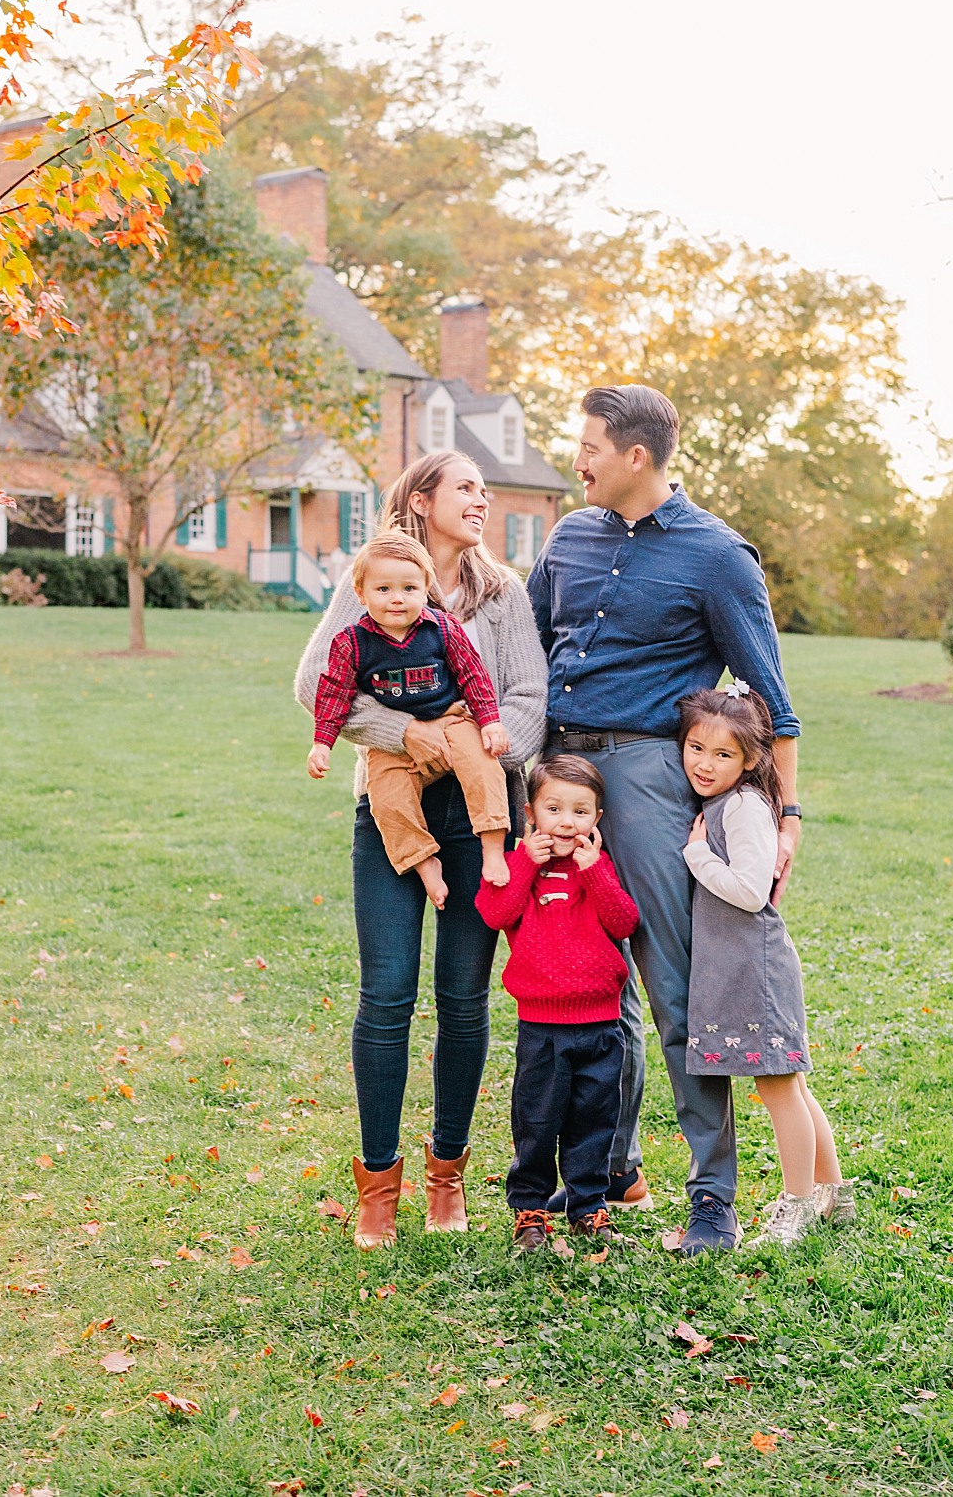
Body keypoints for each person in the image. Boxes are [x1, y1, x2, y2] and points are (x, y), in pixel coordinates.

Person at [527, 384, 802, 1255]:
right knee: (575, 977)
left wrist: (786, 817)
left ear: (635, 455)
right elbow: (526, 651)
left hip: (647, 772)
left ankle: (711, 1198)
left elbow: (773, 703)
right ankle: (609, 1169)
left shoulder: (718, 555)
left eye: (589, 447)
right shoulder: (568, 536)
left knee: (673, 987)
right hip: (556, 772)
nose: (578, 459)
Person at [295, 452, 549, 1249]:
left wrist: (475, 748)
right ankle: (378, 1184)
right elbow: (316, 683)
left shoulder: (502, 592)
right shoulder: (369, 576)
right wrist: (407, 734)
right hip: (392, 803)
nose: (483, 499)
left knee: (464, 997)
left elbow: (528, 701)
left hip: (482, 813)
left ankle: (447, 1174)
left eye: (485, 487)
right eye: (467, 487)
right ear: (422, 499)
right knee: (387, 993)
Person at [676, 686, 852, 1247]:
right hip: (743, 966)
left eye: (723, 755)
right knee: (790, 1086)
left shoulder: (746, 806)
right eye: (696, 747)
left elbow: (752, 892)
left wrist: (698, 856)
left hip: (757, 968)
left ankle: (796, 1203)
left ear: (751, 759)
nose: (705, 763)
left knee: (779, 1089)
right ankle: (834, 1194)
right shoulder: (723, 802)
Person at [474, 755, 640, 1255]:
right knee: (537, 1121)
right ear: (531, 814)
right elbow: (495, 912)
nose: (567, 822)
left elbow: (624, 923)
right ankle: (530, 1210)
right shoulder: (518, 868)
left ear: (597, 820)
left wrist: (596, 873)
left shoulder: (599, 868)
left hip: (601, 1024)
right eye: (555, 809)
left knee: (594, 1120)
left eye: (581, 811)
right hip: (542, 1026)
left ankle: (588, 1207)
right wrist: (525, 861)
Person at [307, 530, 513, 908]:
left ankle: (493, 846)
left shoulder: (443, 629)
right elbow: (334, 694)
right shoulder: (350, 643)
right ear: (361, 594)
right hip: (393, 743)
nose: (397, 598)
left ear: (425, 590)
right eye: (383, 589)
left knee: (483, 765)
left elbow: (473, 676)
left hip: (451, 720)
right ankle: (422, 860)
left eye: (409, 588)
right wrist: (322, 743)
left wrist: (490, 722)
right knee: (385, 799)